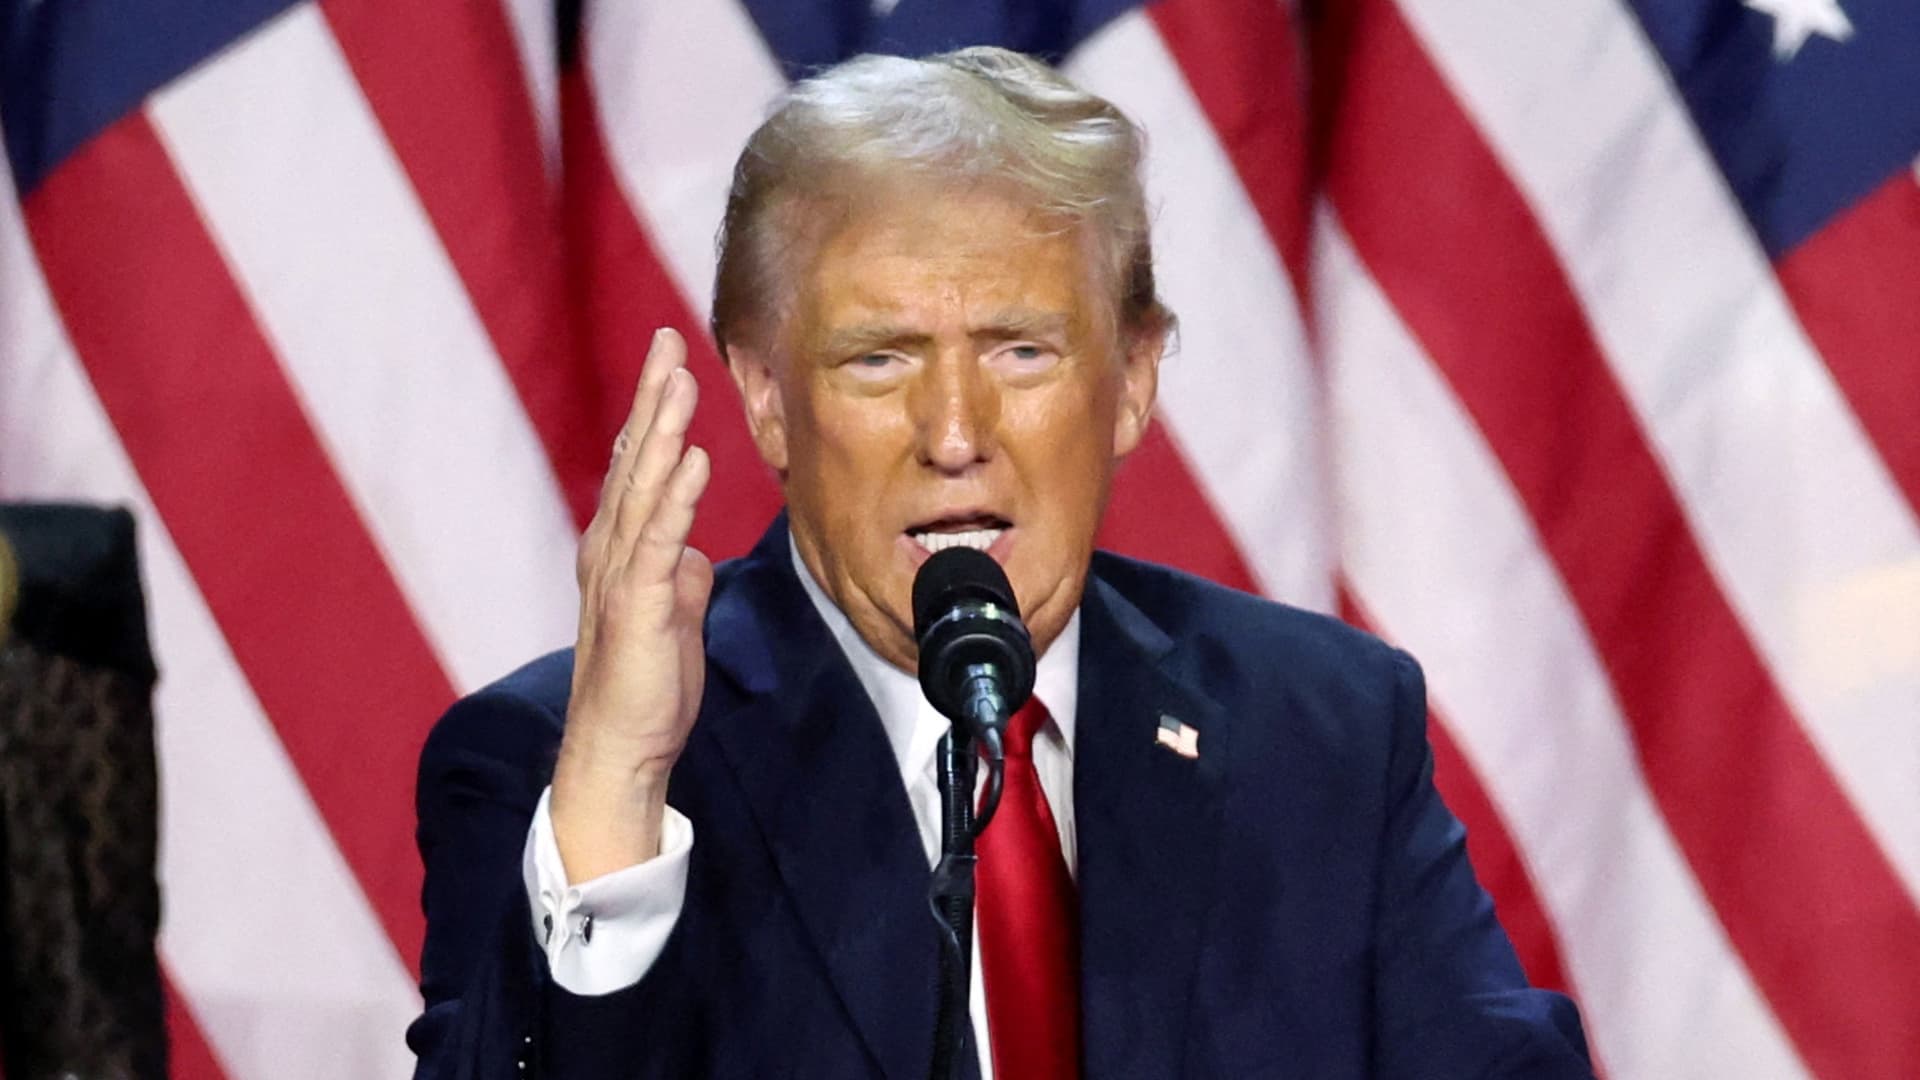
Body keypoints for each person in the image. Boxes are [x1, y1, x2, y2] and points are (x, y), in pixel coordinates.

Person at [407, 47, 1592, 1080]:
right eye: (879, 360)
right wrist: (618, 788)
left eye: (1022, 352)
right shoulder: (563, 769)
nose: (957, 432)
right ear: (768, 402)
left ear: (1131, 380)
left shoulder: (1321, 727)